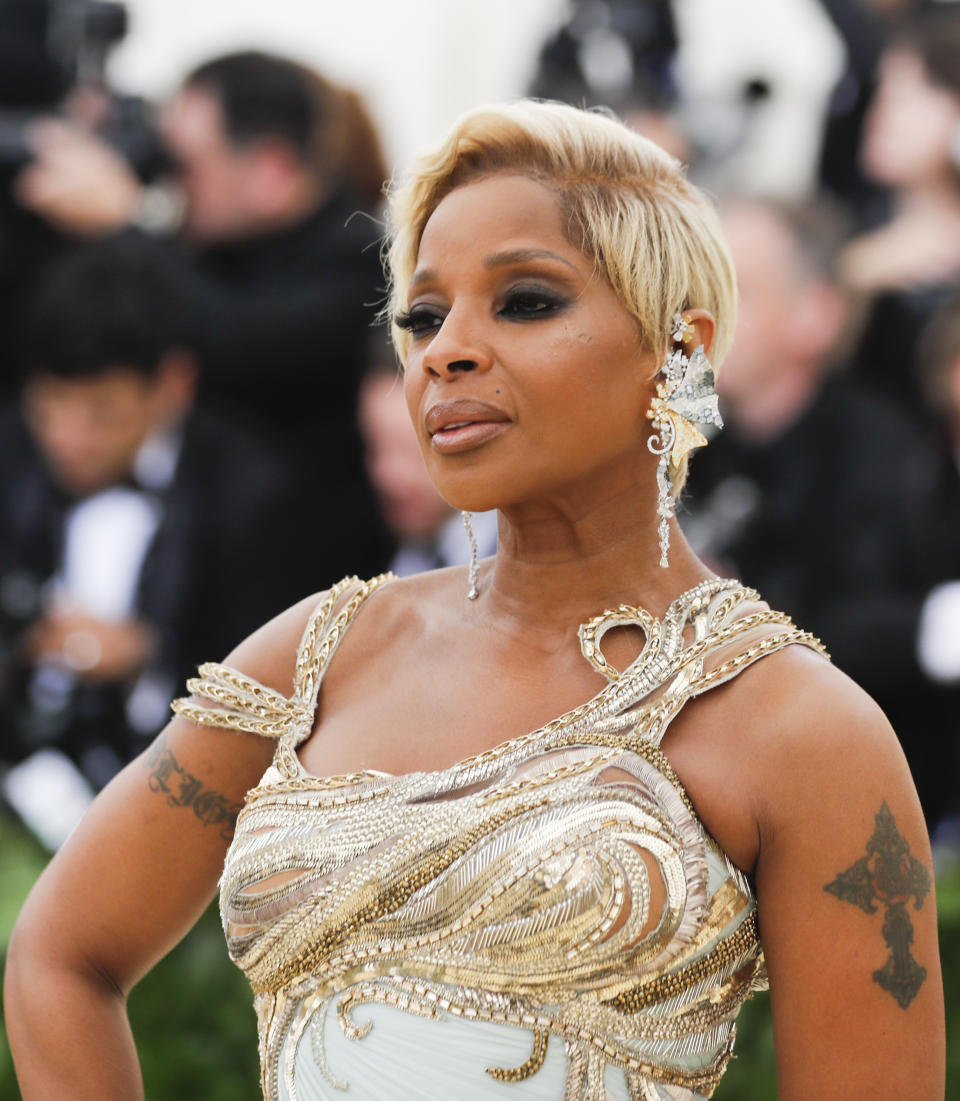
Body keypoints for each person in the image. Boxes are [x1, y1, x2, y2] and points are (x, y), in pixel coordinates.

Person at [4, 101, 944, 1100]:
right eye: (422, 316)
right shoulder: (320, 653)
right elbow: (60, 957)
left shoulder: (798, 725)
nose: (446, 350)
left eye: (526, 300)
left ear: (680, 349)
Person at [14, 49, 392, 585]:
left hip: (305, 595)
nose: (170, 183)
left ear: (273, 171)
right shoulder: (205, 251)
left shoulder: (361, 267)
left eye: (185, 164)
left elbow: (244, 345)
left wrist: (123, 222)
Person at [682, 197, 955, 830]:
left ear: (818, 314)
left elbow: (875, 641)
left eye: (737, 290)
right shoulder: (686, 443)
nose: (701, 318)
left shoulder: (887, 464)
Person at [0, 235, 300, 792]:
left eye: (100, 413)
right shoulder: (10, 457)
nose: (67, 439)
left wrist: (150, 658)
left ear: (171, 386)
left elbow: (273, 701)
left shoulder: (251, 497)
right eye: (48, 409)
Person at [358, 352, 498, 576]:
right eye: (375, 448)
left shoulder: (517, 563)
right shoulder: (405, 566)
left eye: (410, 451)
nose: (388, 475)